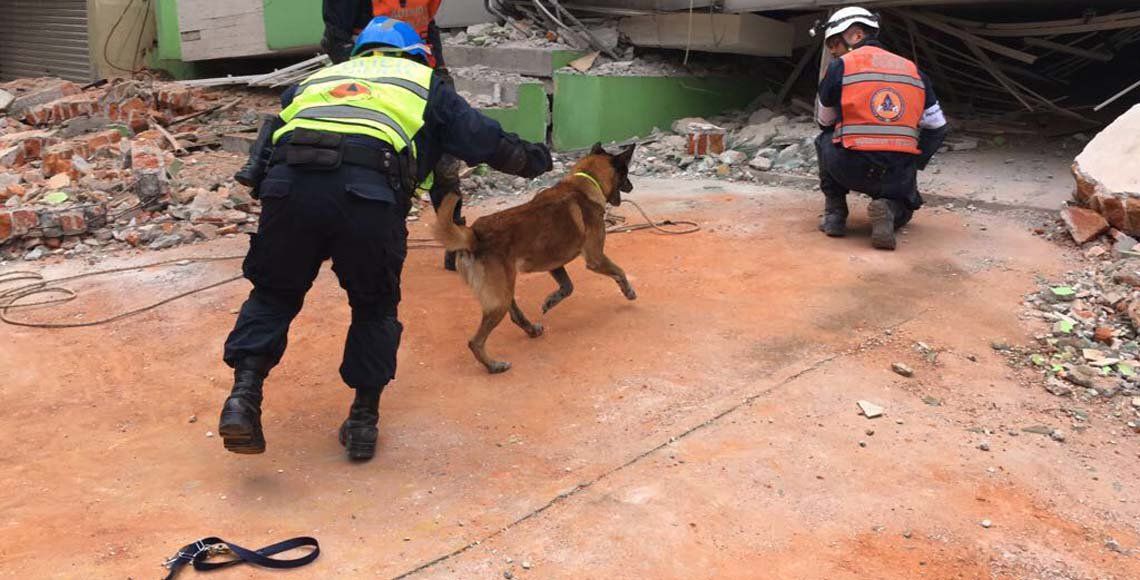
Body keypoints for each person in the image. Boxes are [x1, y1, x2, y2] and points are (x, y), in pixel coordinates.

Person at [221, 16, 553, 462]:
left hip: (290, 187)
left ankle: (243, 398)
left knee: (274, 296)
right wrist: (534, 160)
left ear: (363, 54)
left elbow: (268, 142)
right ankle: (362, 421)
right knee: (373, 306)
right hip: (367, 196)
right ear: (417, 54)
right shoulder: (424, 82)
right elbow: (483, 140)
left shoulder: (319, 78)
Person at [319, 0, 466, 271]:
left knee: (444, 159)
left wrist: (440, 70)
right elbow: (335, 38)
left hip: (422, 65)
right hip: (372, 76)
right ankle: (386, 242)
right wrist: (362, 77)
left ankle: (454, 236)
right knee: (385, 160)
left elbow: (427, 25)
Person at [814, 6, 949, 250]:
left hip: (848, 165)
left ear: (856, 35)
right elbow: (937, 126)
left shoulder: (840, 66)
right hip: (897, 171)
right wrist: (915, 163)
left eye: (834, 44)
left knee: (824, 138)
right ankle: (889, 208)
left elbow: (824, 121)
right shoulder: (913, 69)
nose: (833, 53)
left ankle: (835, 215)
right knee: (905, 207)